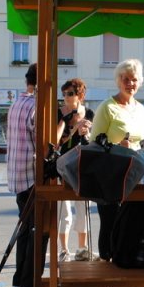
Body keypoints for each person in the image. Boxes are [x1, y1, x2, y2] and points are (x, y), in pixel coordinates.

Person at [90, 59, 144, 260]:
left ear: (139, 82)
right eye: (126, 79)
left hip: (134, 175)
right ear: (118, 80)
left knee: (131, 222)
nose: (130, 83)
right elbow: (94, 143)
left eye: (134, 79)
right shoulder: (107, 107)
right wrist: (117, 147)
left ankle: (126, 262)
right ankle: (106, 266)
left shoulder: (141, 109)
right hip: (110, 176)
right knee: (110, 223)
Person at [7, 63, 38, 287]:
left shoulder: (17, 102)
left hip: (18, 175)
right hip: (32, 174)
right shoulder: (36, 106)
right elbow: (44, 143)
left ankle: (19, 278)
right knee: (36, 230)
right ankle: (29, 282)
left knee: (25, 228)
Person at [56, 78, 94, 261]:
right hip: (63, 165)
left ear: (81, 95)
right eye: (64, 94)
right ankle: (63, 249)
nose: (66, 97)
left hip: (83, 165)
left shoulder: (89, 113)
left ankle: (82, 248)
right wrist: (71, 128)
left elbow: (91, 141)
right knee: (64, 210)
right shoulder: (59, 113)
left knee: (83, 208)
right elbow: (56, 142)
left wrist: (86, 132)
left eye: (70, 93)